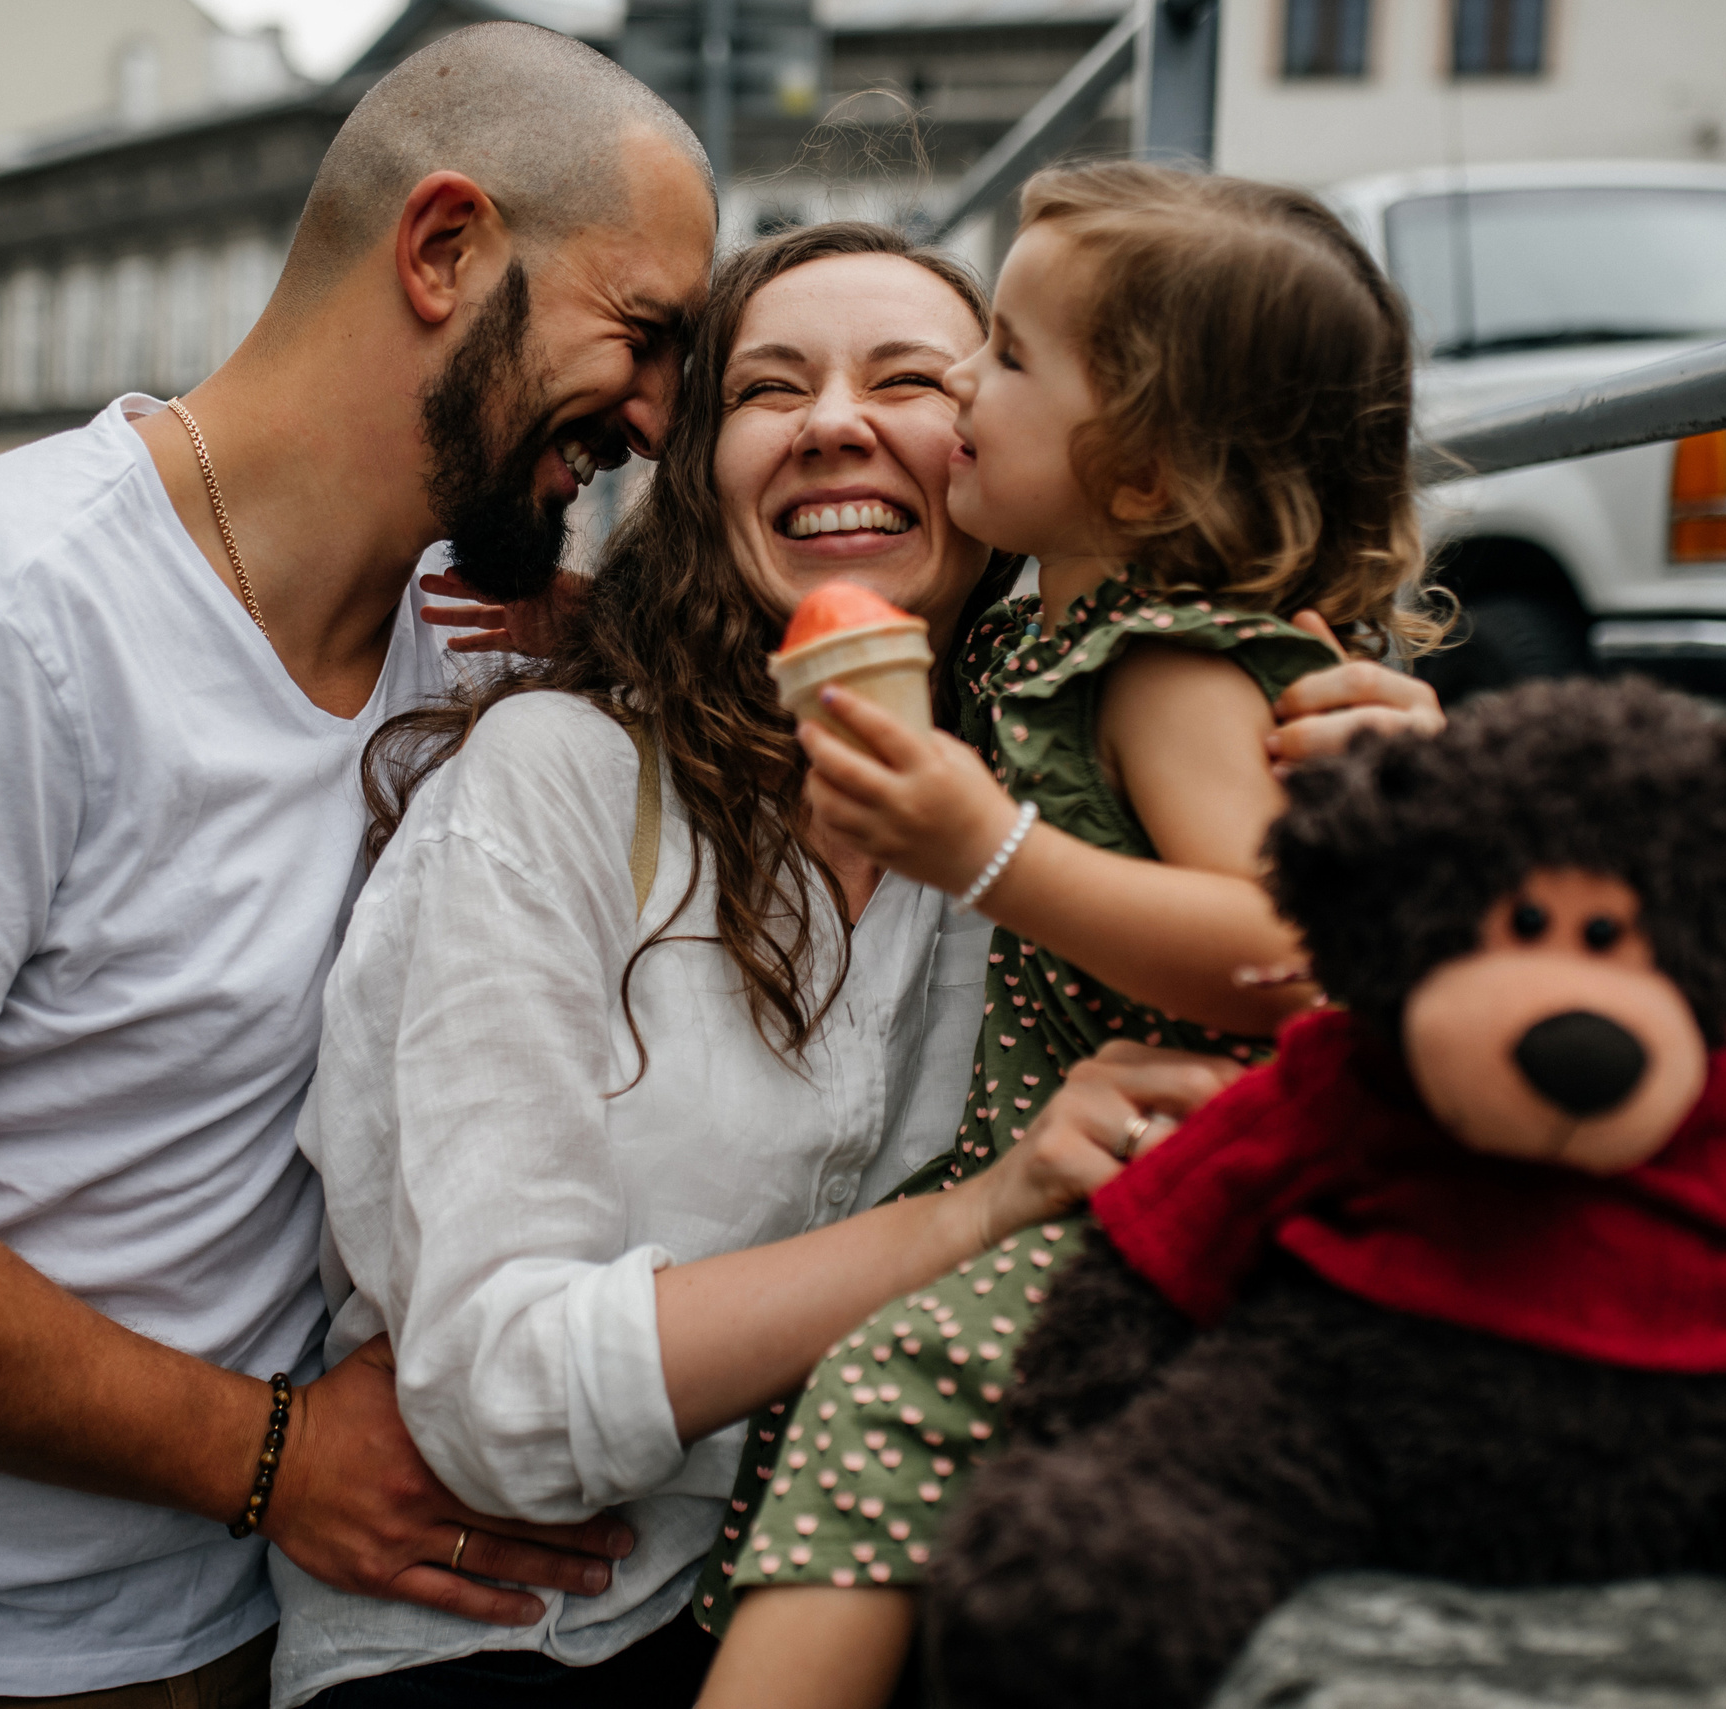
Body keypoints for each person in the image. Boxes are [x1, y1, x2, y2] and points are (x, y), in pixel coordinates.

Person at [0, 26, 713, 1708]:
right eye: (644, 333)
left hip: (220, 1637)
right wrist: (274, 1455)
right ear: (443, 249)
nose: (659, 416)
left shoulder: (471, 642)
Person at [277, 218, 1444, 1705]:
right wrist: (988, 1212)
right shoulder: (559, 774)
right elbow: (503, 1399)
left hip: (871, 1584)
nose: (834, 423)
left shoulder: (1055, 791)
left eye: (918, 379)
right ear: (698, 475)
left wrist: (1395, 793)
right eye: (768, 389)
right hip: (516, 1620)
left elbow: (1331, 972)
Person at [696, 162, 1438, 1709]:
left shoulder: (1166, 666)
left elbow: (1292, 950)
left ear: (1144, 478)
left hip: (1195, 1180)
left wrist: (993, 851)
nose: (966, 380)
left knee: (887, 1387)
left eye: (1008, 356)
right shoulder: (1044, 632)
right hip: (1107, 1164)